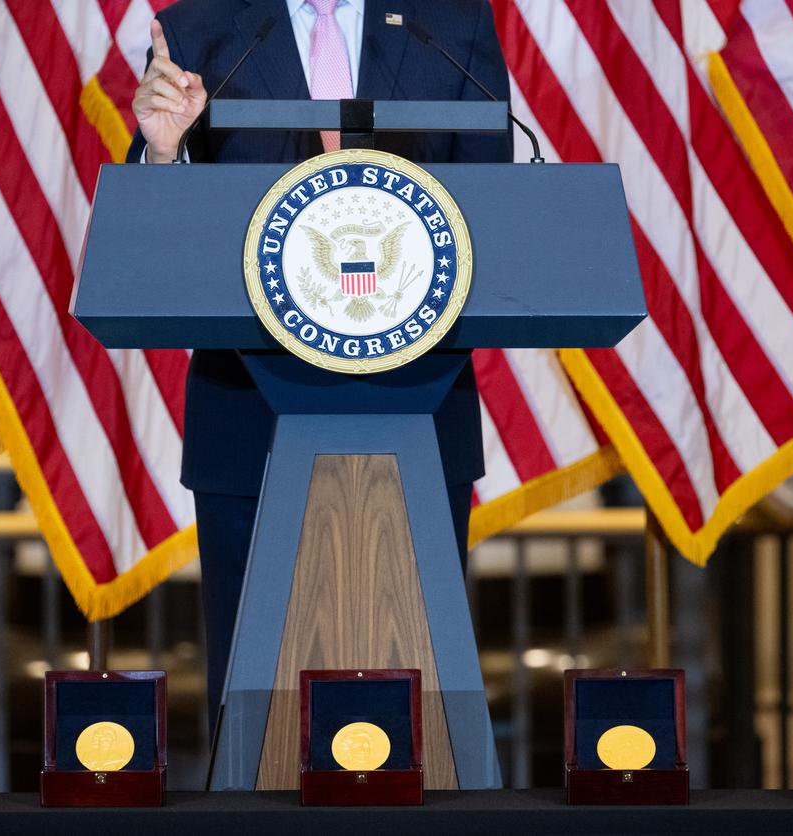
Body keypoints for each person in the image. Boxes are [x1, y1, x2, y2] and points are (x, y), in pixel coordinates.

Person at [127, 0, 512, 727]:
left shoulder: (450, 22)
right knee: (255, 731)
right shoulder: (198, 30)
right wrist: (163, 153)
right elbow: (151, 251)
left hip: (418, 411)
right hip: (248, 418)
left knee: (414, 728)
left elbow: (489, 214)